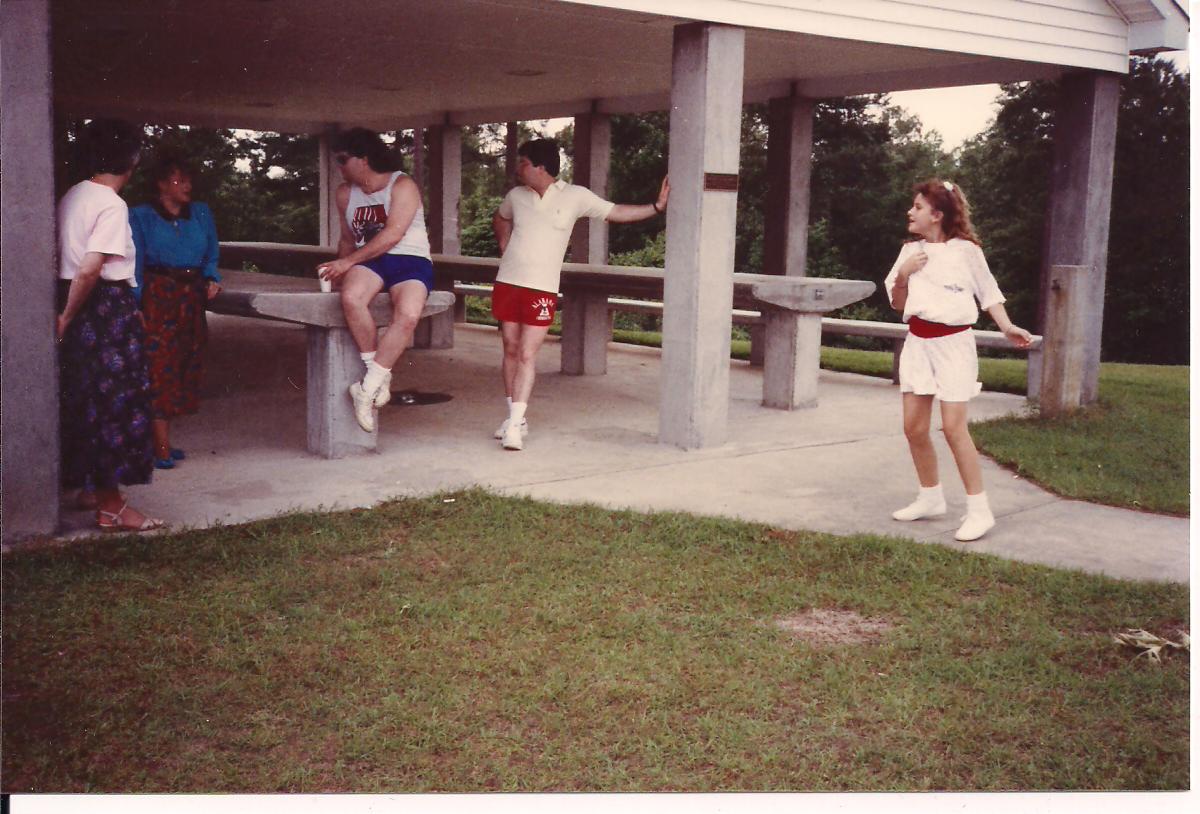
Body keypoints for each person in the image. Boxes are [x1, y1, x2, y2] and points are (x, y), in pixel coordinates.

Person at [491, 138, 669, 450]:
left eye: (523, 163)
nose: (518, 168)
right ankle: (514, 417)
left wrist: (656, 207)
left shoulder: (575, 196)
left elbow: (615, 211)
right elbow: (500, 217)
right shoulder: (515, 196)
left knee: (527, 354)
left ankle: (515, 426)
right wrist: (504, 244)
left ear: (540, 167)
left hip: (541, 287)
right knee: (510, 348)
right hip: (508, 282)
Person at [883, 179, 1033, 542]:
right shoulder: (909, 251)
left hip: (953, 346)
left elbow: (989, 293)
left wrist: (1007, 327)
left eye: (918, 207)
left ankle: (980, 511)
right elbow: (898, 304)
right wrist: (903, 274)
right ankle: (930, 497)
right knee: (914, 428)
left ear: (937, 215)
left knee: (953, 428)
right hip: (917, 344)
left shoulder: (967, 251)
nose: (910, 212)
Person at [57, 119, 163, 533]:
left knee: (86, 401)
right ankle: (112, 507)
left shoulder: (73, 195)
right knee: (115, 406)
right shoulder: (112, 204)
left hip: (81, 302)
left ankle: (93, 488)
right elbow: (90, 268)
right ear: (132, 160)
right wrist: (68, 316)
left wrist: (66, 312)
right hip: (99, 308)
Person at [315, 128, 431, 434]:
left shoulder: (402, 185)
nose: (339, 167)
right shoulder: (345, 194)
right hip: (370, 260)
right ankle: (377, 377)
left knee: (408, 315)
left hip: (410, 258)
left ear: (363, 159)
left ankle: (365, 389)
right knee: (351, 298)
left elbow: (393, 234)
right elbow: (347, 238)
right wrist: (340, 271)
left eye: (343, 160)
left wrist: (348, 262)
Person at [129, 156, 222, 469]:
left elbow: (212, 252)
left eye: (188, 179)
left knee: (186, 362)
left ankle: (160, 440)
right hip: (158, 295)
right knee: (159, 366)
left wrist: (211, 277)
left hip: (191, 295)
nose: (187, 186)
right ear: (160, 184)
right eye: (179, 180)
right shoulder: (140, 216)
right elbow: (135, 262)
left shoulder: (201, 212)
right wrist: (137, 303)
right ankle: (161, 447)